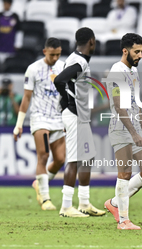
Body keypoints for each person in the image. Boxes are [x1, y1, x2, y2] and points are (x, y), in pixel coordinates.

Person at [103, 33, 142, 229]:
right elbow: (119, 106)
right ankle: (123, 220)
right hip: (120, 127)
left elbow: (136, 103)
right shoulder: (117, 72)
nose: (140, 55)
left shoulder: (134, 72)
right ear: (125, 51)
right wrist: (133, 133)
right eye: (137, 51)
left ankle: (114, 203)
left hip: (134, 127)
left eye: (141, 51)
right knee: (124, 173)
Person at [54, 28, 106, 218]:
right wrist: (67, 98)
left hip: (81, 116)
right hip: (75, 115)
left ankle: (84, 202)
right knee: (74, 159)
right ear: (91, 41)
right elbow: (59, 80)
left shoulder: (76, 58)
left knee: (86, 157)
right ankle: (66, 206)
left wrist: (67, 95)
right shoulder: (79, 61)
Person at [13, 38, 65, 211]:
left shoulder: (63, 67)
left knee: (60, 159)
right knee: (43, 155)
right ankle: (45, 198)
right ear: (45, 52)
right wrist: (19, 124)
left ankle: (40, 184)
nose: (55, 58)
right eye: (52, 55)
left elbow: (66, 95)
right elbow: (27, 97)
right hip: (40, 117)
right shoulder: (33, 69)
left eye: (58, 54)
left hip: (58, 118)